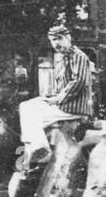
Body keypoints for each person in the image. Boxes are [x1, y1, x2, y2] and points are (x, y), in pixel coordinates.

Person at [17, 23, 96, 153]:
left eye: (59, 39)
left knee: (32, 118)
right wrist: (51, 97)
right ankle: (37, 153)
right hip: (65, 103)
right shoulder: (63, 59)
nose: (55, 44)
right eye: (53, 40)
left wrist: (58, 98)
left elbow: (79, 81)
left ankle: (40, 151)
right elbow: (63, 85)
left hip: (74, 107)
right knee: (25, 106)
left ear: (68, 37)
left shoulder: (78, 56)